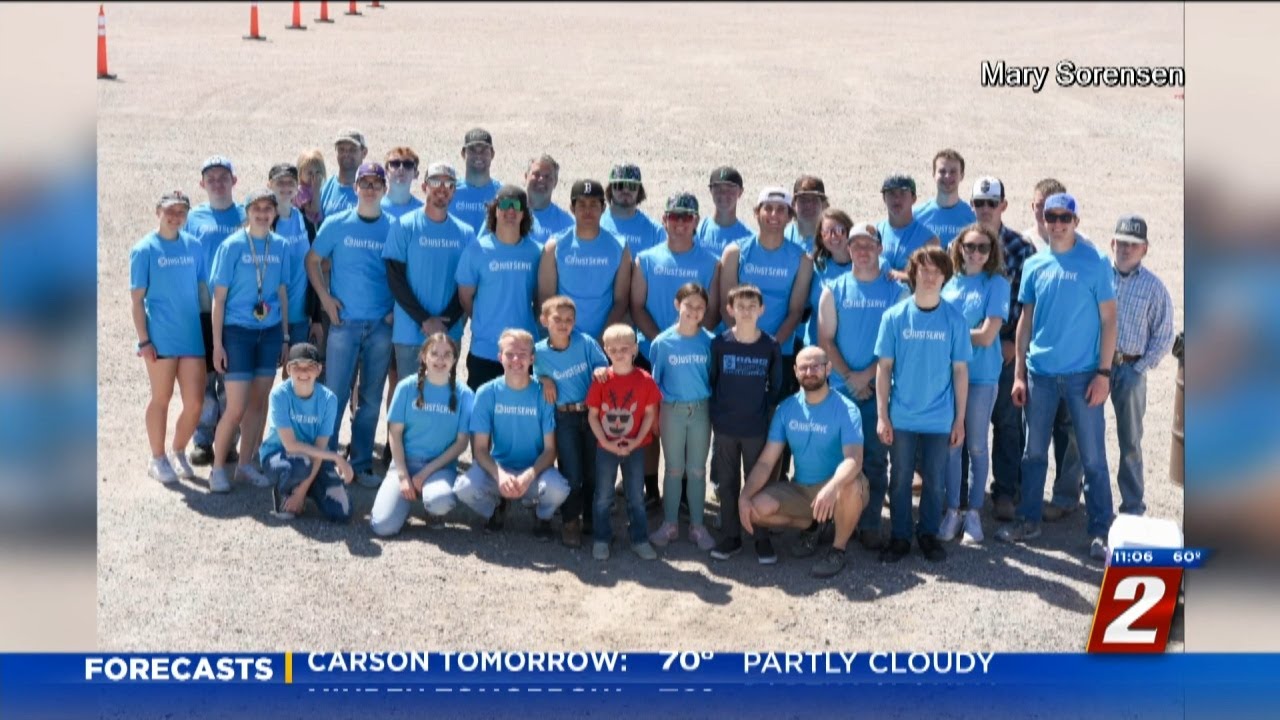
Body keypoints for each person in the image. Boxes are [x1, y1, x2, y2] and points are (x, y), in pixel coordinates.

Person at [996, 193, 1118, 561]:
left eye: (1065, 216)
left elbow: (1109, 320)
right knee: (1034, 454)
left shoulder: (1096, 262)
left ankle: (1101, 530)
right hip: (1040, 375)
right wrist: (1019, 374)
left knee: (1092, 456)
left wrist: (1104, 373)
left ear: (1076, 221)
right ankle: (1027, 519)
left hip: (1083, 376)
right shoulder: (1034, 264)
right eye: (1052, 216)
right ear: (1044, 219)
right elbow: (1024, 323)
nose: (1058, 223)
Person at [1054, 215, 1176, 517]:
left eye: (1133, 245)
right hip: (1093, 367)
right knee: (1077, 432)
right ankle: (1066, 496)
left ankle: (1132, 505)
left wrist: (1139, 368)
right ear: (1112, 243)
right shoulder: (1098, 276)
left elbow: (1163, 334)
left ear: (1144, 249)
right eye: (1121, 242)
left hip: (1129, 368)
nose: (1126, 249)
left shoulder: (1154, 288)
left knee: (1130, 438)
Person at [738, 346, 871, 578]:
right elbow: (766, 463)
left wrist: (832, 487)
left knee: (850, 485)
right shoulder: (786, 409)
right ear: (795, 371)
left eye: (816, 366)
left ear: (828, 369)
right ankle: (815, 527)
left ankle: (837, 549)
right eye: (804, 367)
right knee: (755, 510)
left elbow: (854, 459)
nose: (809, 371)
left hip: (838, 486)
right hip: (802, 489)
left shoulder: (846, 409)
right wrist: (744, 496)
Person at [875, 246, 971, 563]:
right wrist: (882, 416)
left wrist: (959, 421)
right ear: (913, 272)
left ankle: (927, 534)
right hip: (902, 414)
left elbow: (960, 371)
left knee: (935, 478)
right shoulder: (894, 317)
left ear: (945, 277)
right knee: (900, 477)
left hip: (940, 417)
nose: (929, 277)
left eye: (936, 271)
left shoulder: (954, 319)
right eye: (924, 270)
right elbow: (884, 368)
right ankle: (900, 536)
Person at [306, 162, 396, 487]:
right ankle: (328, 462)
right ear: (355, 187)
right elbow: (312, 261)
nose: (370, 189)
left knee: (371, 398)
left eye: (376, 183)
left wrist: (395, 310)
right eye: (365, 183)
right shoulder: (337, 224)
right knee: (335, 394)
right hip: (343, 324)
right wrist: (326, 300)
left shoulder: (394, 227)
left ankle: (360, 463)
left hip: (380, 327)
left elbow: (404, 271)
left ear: (384, 189)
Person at [816, 221, 905, 550]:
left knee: (875, 460)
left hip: (879, 389)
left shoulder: (896, 290)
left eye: (870, 244)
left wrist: (868, 375)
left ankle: (868, 525)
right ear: (848, 250)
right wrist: (851, 377)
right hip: (840, 390)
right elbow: (826, 338)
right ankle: (831, 521)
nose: (863, 251)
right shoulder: (834, 288)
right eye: (856, 245)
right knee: (834, 459)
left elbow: (897, 341)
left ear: (880, 248)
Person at [721, 186, 813, 483]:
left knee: (775, 421)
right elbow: (726, 306)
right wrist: (746, 342)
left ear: (789, 217)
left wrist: (769, 346)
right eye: (767, 208)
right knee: (732, 421)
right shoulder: (736, 252)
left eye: (781, 210)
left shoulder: (801, 259)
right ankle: (724, 488)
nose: (774, 215)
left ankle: (772, 487)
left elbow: (796, 310)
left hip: (780, 353)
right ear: (756, 213)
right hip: (737, 351)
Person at [208, 188, 292, 493]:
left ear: (274, 213)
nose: (262, 214)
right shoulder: (232, 246)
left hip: (269, 332)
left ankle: (245, 465)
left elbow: (282, 292)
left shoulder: (280, 246)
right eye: (256, 209)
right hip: (238, 333)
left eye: (267, 209)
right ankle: (217, 468)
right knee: (236, 406)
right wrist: (217, 344)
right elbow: (219, 299)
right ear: (248, 212)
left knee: (259, 403)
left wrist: (284, 335)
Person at [454, 329, 570, 539]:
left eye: (523, 354)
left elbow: (550, 450)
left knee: (559, 488)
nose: (516, 359)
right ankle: (497, 506)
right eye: (509, 354)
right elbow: (480, 449)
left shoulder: (543, 393)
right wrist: (501, 476)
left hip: (534, 471)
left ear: (532, 358)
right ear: (500, 357)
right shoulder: (487, 393)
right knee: (464, 488)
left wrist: (528, 476)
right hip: (500, 469)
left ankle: (542, 515)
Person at [129, 190, 208, 484]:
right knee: (161, 398)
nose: (175, 217)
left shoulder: (194, 246)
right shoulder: (144, 249)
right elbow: (137, 300)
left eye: (181, 212)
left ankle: (178, 450)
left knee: (195, 403)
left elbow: (202, 290)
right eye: (169, 211)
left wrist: (210, 331)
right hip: (160, 337)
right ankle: (157, 457)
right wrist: (144, 340)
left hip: (191, 336)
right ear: (157, 211)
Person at [938, 224, 1010, 543]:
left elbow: (987, 335)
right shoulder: (947, 282)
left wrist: (947, 336)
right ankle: (953, 510)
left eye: (983, 247)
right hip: (947, 376)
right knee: (953, 444)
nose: (976, 253)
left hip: (981, 376)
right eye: (970, 246)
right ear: (960, 248)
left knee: (977, 444)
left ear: (992, 251)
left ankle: (975, 513)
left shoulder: (996, 283)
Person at [971, 176, 1036, 522]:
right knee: (967, 421)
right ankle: (967, 494)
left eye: (990, 203)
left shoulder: (1021, 248)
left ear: (1003, 206)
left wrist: (1016, 343)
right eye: (979, 203)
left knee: (1008, 422)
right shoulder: (964, 244)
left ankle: (1006, 491)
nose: (985, 209)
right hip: (970, 348)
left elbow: (1033, 302)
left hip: (1009, 344)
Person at [707, 284, 784, 561]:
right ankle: (731, 536)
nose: (747, 311)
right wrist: (718, 415)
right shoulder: (720, 344)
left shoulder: (770, 346)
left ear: (762, 310)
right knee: (726, 483)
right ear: (730, 310)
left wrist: (764, 413)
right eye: (740, 306)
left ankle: (760, 537)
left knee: (757, 483)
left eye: (753, 306)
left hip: (756, 428)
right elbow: (713, 380)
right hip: (726, 427)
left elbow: (775, 387)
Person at [369, 333, 473, 536]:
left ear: (454, 359)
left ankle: (433, 511)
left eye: (447, 355)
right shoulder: (406, 387)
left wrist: (425, 473)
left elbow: (461, 443)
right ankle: (401, 506)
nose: (440, 360)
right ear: (424, 357)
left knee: (439, 501)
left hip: (439, 467)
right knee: (382, 527)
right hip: (405, 464)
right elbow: (395, 433)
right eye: (434, 353)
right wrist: (403, 476)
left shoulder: (465, 394)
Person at [385, 161, 474, 380]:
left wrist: (444, 324)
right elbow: (395, 278)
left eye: (449, 184)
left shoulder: (466, 233)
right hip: (409, 333)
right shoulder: (404, 226)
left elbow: (468, 285)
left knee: (443, 402)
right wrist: (425, 320)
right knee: (410, 400)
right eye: (435, 182)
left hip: (448, 333)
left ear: (454, 191)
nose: (442, 188)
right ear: (424, 187)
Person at [184, 155, 245, 466]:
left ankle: (228, 440)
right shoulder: (193, 218)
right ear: (202, 184)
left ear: (234, 181)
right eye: (211, 178)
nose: (218, 183)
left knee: (231, 379)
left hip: (237, 308)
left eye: (224, 177)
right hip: (204, 308)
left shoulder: (247, 215)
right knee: (205, 378)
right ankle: (204, 440)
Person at [533, 296, 609, 547]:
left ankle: (591, 518)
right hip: (564, 417)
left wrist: (600, 370)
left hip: (591, 414)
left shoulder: (585, 342)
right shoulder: (540, 352)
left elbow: (603, 366)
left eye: (568, 320)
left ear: (575, 321)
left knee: (592, 471)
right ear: (545, 321)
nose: (564, 324)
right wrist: (544, 380)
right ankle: (569, 522)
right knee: (571, 472)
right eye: (557, 319)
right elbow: (534, 377)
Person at [648, 283, 716, 551]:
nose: (694, 311)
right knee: (674, 469)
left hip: (700, 410)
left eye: (700, 307)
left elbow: (712, 375)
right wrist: (653, 417)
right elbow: (656, 383)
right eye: (689, 305)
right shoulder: (663, 343)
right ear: (678, 305)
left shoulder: (710, 341)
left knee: (697, 470)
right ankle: (670, 524)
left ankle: (698, 526)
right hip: (671, 411)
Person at [455, 185, 542, 390]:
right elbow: (465, 297)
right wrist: (486, 321)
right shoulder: (476, 250)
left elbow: (540, 300)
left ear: (524, 213)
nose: (510, 211)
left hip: (523, 352)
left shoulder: (536, 252)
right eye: (504, 204)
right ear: (495, 210)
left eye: (516, 206)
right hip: (485, 350)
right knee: (481, 416)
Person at [587, 324, 662, 560]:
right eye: (614, 349)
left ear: (635, 349)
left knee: (636, 496)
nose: (619, 353)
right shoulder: (601, 380)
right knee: (603, 495)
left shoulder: (645, 380)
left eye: (625, 348)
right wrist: (605, 442)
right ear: (606, 351)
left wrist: (637, 441)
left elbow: (650, 414)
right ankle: (601, 538)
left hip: (636, 447)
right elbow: (592, 415)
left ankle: (639, 538)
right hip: (605, 447)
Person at [259, 343, 354, 522]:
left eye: (309, 367)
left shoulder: (328, 399)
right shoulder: (279, 395)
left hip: (312, 458)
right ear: (288, 369)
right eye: (297, 367)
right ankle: (283, 491)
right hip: (280, 455)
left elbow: (319, 449)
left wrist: (302, 492)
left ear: (319, 370)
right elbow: (291, 445)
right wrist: (336, 457)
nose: (303, 372)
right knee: (300, 463)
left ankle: (303, 489)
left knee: (342, 511)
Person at [537, 178, 631, 340]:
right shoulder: (555, 247)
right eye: (581, 204)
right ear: (572, 208)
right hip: (565, 341)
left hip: (604, 341)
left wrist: (603, 339)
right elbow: (546, 298)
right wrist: (563, 338)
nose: (588, 210)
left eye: (594, 204)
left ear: (603, 208)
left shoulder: (619, 247)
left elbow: (621, 301)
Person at [633, 192, 722, 360]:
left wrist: (686, 342)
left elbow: (713, 312)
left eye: (687, 217)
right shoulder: (645, 260)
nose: (680, 222)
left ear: (696, 221)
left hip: (693, 354)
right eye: (674, 216)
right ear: (664, 220)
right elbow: (637, 307)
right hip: (651, 351)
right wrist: (662, 341)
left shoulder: (713, 263)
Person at [268, 163, 321, 360]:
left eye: (290, 182)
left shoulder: (305, 221)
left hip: (300, 316)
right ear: (270, 185)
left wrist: (315, 317)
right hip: (270, 317)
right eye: (279, 182)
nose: (285, 187)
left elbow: (313, 268)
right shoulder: (264, 222)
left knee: (295, 376)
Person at [803, 209, 854, 348]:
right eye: (826, 232)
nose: (833, 236)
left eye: (838, 230)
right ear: (820, 237)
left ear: (849, 231)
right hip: (817, 350)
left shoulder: (864, 265)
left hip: (851, 351)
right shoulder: (815, 267)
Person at [877, 174, 940, 282]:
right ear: (884, 198)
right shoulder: (873, 232)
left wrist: (892, 274)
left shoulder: (929, 239)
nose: (897, 198)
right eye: (891, 193)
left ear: (913, 198)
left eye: (902, 193)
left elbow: (929, 277)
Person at [600, 163, 666, 257]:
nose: (626, 191)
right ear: (610, 189)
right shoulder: (595, 224)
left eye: (632, 186)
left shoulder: (655, 231)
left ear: (639, 190)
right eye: (620, 185)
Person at [913, 149, 977, 247]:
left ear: (962, 176)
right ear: (934, 174)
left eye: (953, 172)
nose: (947, 176)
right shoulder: (916, 216)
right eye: (942, 171)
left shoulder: (973, 217)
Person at [449, 127, 502, 233]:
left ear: (492, 154)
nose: (478, 155)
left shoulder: (502, 194)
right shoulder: (449, 192)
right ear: (463, 154)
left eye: (484, 151)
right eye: (472, 150)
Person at [695, 166, 754, 257]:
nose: (723, 193)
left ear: (740, 192)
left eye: (730, 188)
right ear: (711, 191)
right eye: (718, 188)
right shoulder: (698, 230)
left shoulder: (749, 237)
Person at [319, 129, 367, 218]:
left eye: (352, 150)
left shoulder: (371, 189)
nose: (346, 154)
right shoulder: (327, 187)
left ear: (364, 153)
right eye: (341, 149)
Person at [526, 154, 574, 240]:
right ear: (526, 176)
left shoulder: (566, 224)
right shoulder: (509, 215)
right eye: (536, 174)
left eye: (547, 176)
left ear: (555, 182)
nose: (541, 179)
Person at [786, 175, 829, 254]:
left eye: (814, 200)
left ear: (824, 205)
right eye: (803, 200)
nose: (808, 205)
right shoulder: (783, 238)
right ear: (793, 205)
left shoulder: (835, 239)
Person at [380, 146, 425, 221]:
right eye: (395, 164)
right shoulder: (373, 208)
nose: (401, 168)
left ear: (416, 174)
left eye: (408, 164)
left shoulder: (423, 211)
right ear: (385, 172)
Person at [294, 148, 327, 228]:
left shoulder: (318, 187)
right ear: (300, 173)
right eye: (309, 173)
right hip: (308, 226)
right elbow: (314, 209)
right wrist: (316, 190)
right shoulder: (300, 191)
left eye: (317, 172)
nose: (314, 177)